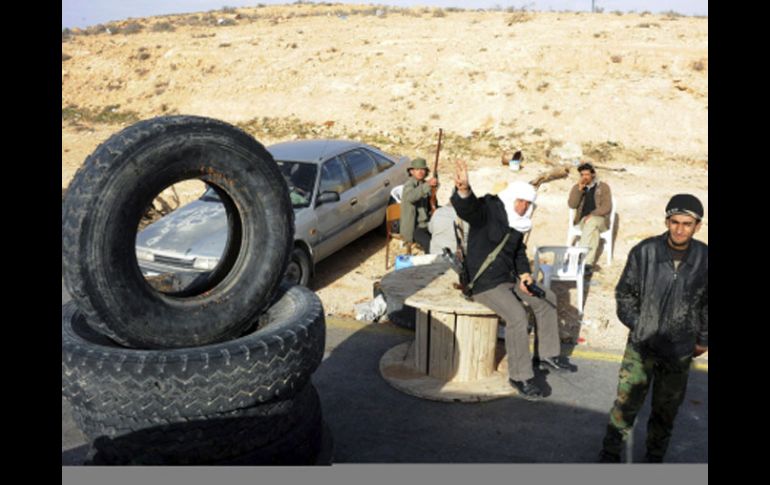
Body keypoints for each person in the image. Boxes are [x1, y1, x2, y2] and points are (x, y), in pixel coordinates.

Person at [451, 159, 576, 401]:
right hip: (485, 282)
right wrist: (464, 190)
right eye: (520, 201)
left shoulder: (519, 222)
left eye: (528, 204)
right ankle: (520, 376)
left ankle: (547, 355)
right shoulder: (490, 209)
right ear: (512, 197)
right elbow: (468, 210)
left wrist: (525, 274)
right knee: (517, 316)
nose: (523, 207)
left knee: (547, 298)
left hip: (508, 278)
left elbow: (518, 251)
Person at [598, 194, 708, 463]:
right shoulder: (644, 252)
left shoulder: (705, 258)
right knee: (625, 405)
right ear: (667, 222)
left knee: (665, 411)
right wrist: (641, 325)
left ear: (697, 226)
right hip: (641, 347)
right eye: (675, 222)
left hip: (679, 350)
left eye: (687, 224)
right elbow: (624, 294)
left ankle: (654, 458)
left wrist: (703, 339)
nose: (680, 229)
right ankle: (610, 453)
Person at [567, 162, 612, 274]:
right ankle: (587, 264)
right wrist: (579, 190)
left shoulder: (603, 187)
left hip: (600, 220)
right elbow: (572, 205)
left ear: (593, 174)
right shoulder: (577, 187)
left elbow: (607, 207)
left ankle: (579, 255)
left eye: (587, 175)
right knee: (593, 231)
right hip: (583, 221)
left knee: (592, 222)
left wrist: (593, 214)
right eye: (582, 175)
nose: (584, 177)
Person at [400, 157, 438, 251]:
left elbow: (433, 203)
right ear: (412, 171)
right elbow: (411, 197)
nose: (420, 172)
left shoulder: (424, 184)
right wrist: (428, 185)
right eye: (417, 169)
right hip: (415, 228)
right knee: (429, 244)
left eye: (422, 169)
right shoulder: (409, 184)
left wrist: (434, 188)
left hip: (427, 224)